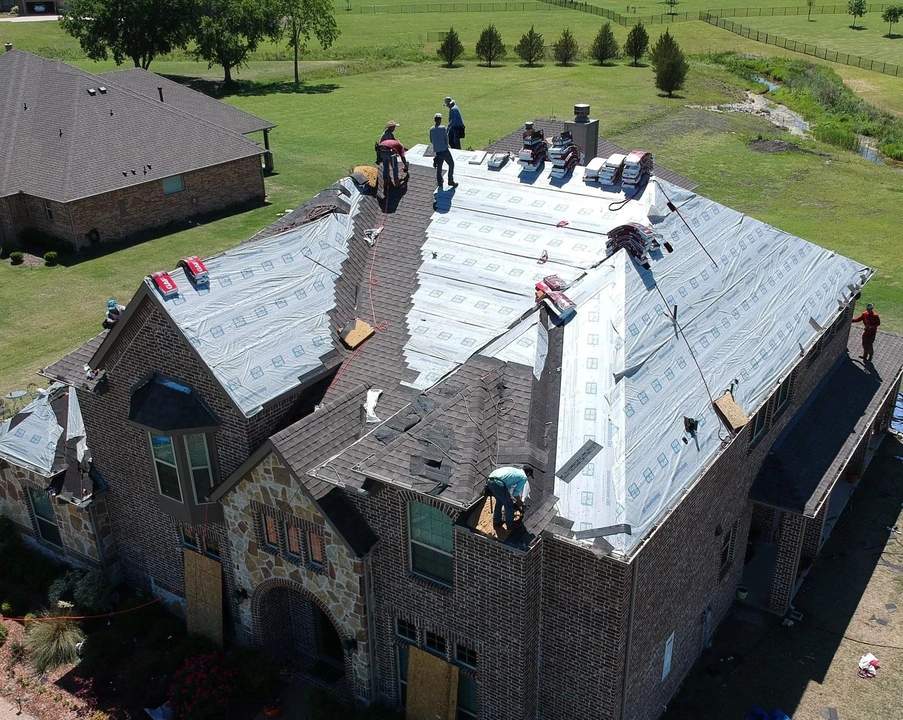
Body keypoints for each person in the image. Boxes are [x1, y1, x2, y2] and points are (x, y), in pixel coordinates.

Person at [429, 113, 457, 191]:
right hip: (444, 150)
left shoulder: (431, 129)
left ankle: (440, 182)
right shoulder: (443, 128)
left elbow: (431, 140)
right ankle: (450, 180)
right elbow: (446, 139)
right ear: (440, 120)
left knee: (439, 166)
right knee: (451, 164)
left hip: (438, 151)